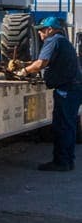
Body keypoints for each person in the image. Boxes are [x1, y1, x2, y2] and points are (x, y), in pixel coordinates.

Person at [16, 16, 82, 171]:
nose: (39, 33)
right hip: (73, 89)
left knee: (62, 126)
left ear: (50, 30)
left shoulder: (53, 41)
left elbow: (41, 63)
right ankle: (67, 161)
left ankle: (61, 162)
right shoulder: (62, 41)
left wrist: (23, 71)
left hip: (67, 90)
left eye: (41, 30)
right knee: (68, 125)